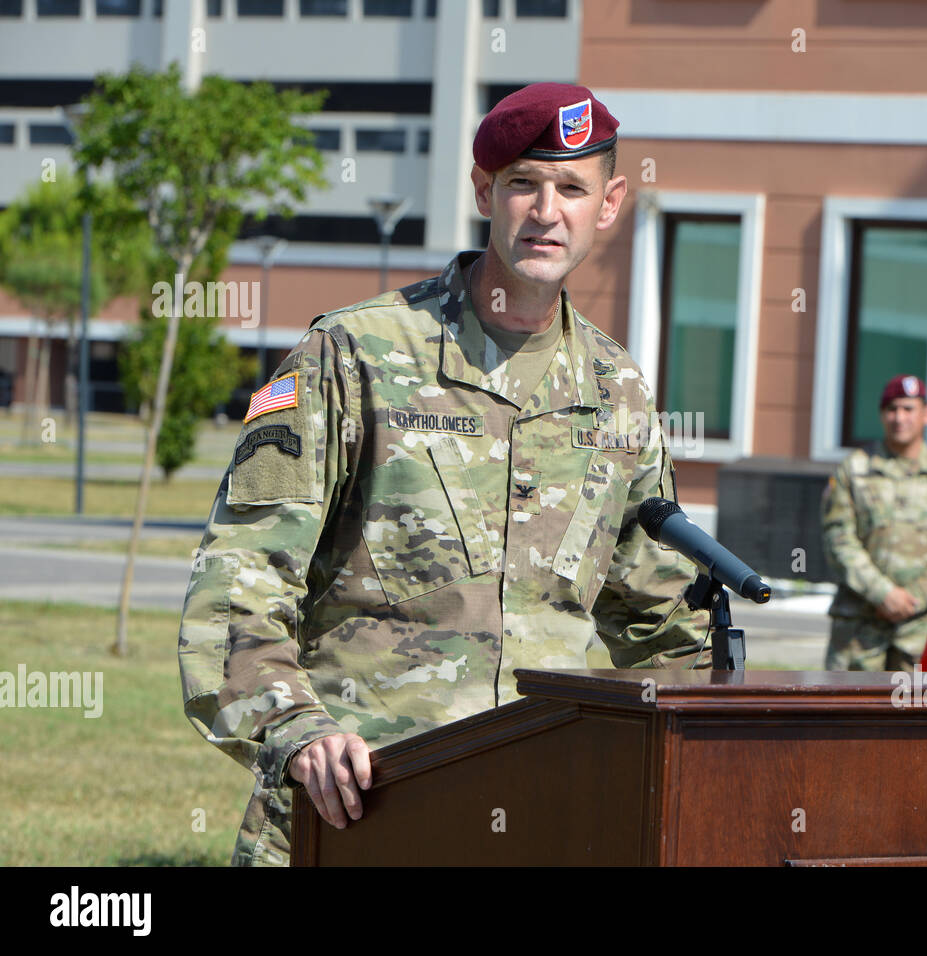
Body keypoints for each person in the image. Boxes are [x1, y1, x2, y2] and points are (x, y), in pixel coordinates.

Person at [177, 82, 708, 866]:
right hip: (359, 815)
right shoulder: (354, 355)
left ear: (610, 203)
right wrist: (297, 733)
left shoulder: (615, 389)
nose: (547, 210)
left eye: (572, 188)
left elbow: (661, 624)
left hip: (541, 820)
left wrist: (708, 760)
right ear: (484, 190)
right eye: (524, 183)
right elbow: (238, 584)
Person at [821, 374, 927, 671]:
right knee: (849, 716)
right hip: (859, 630)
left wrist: (914, 597)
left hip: (923, 629)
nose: (899, 418)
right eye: (891, 409)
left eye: (908, 408)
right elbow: (838, 540)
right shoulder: (854, 470)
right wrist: (883, 593)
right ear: (881, 415)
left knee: (918, 718)